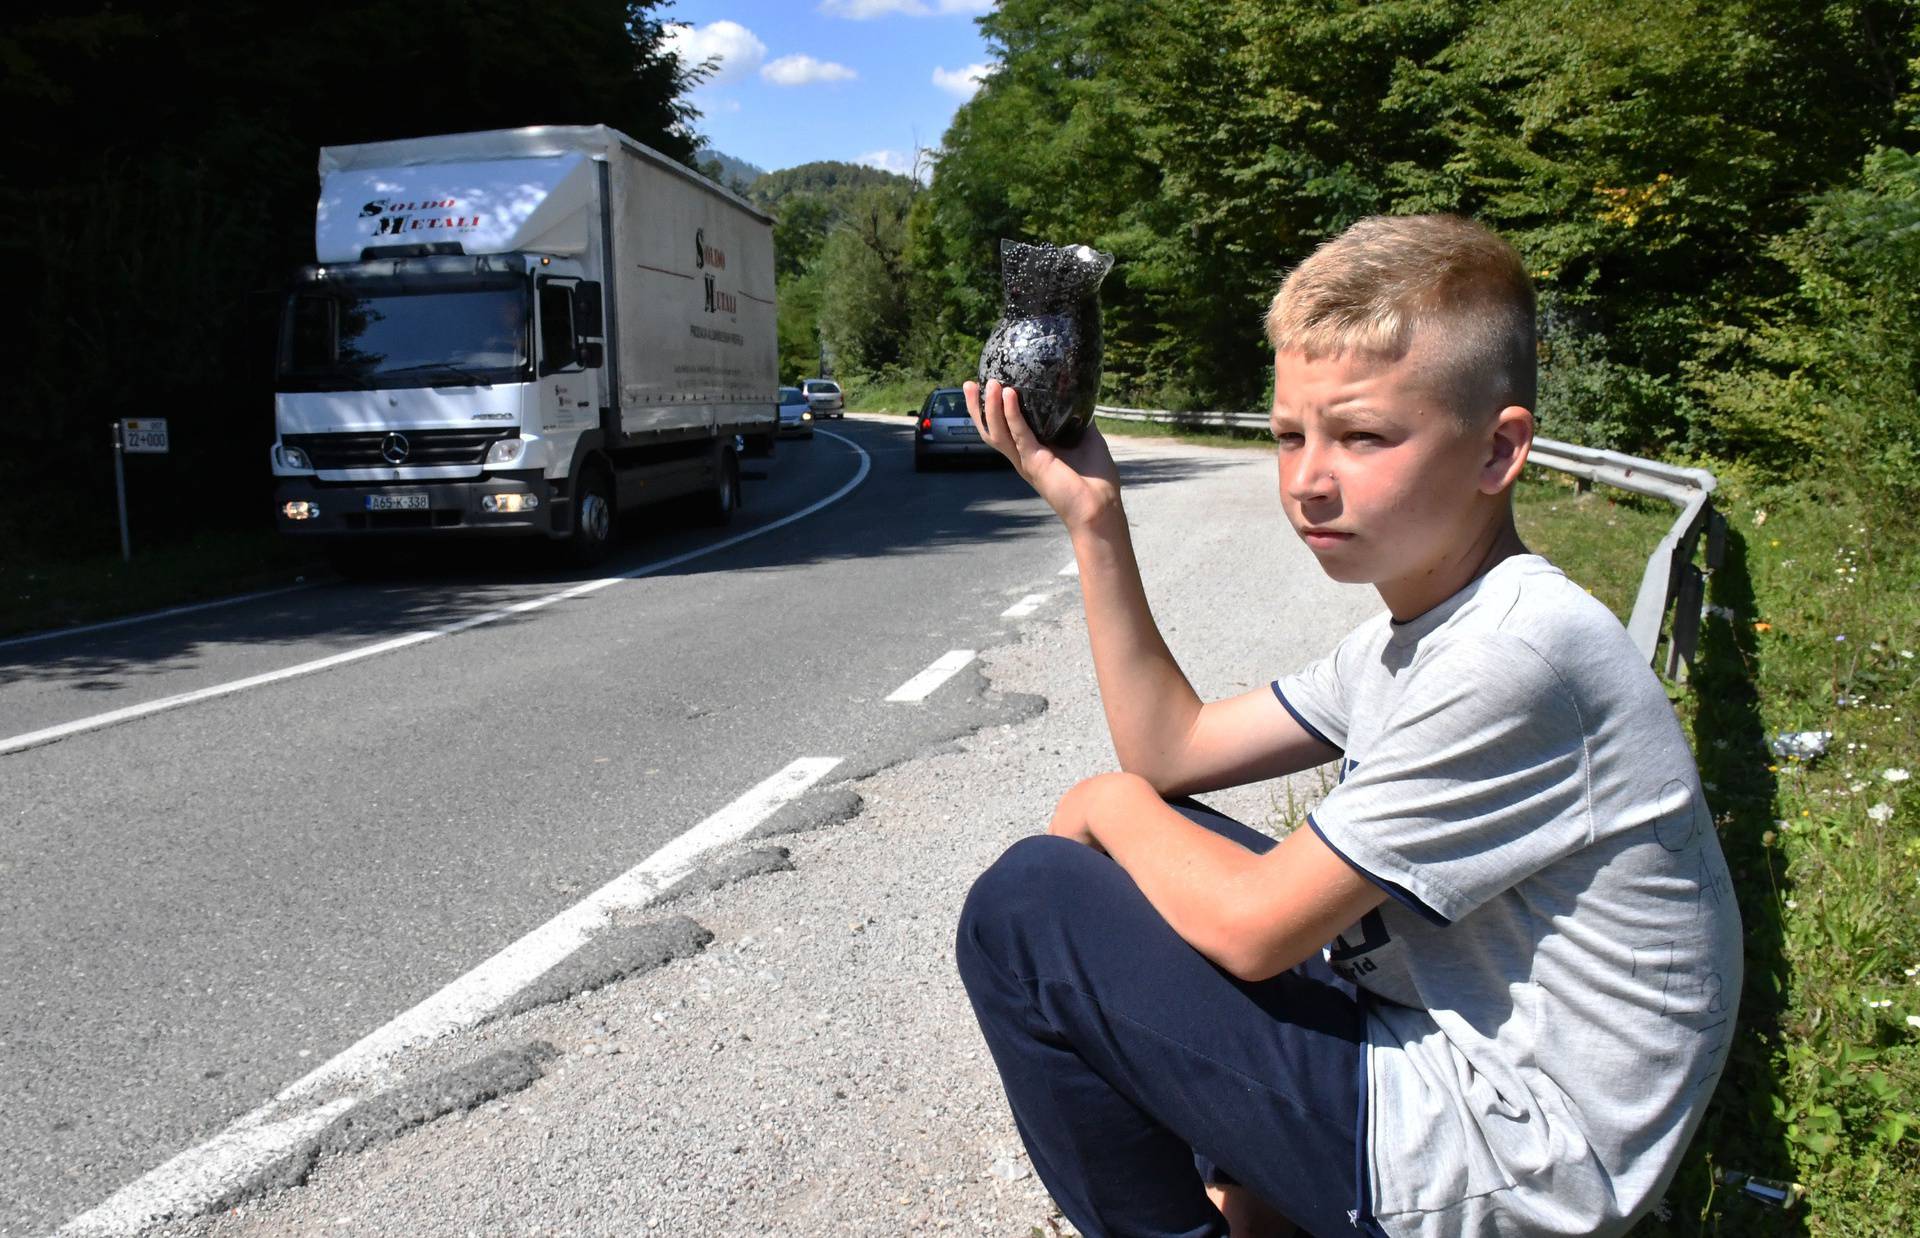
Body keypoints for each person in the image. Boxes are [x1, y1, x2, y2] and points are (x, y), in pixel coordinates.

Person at [954, 213, 1742, 1238]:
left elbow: (1252, 927)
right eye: (1289, 434)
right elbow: (1173, 748)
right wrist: (1095, 517)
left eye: (1362, 436)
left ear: (1500, 450)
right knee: (1121, 866)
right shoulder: (1419, 632)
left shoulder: (1517, 653)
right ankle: (1263, 1200)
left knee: (1028, 906)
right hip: (1456, 1054)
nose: (1307, 479)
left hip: (1523, 1159)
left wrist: (1103, 805)